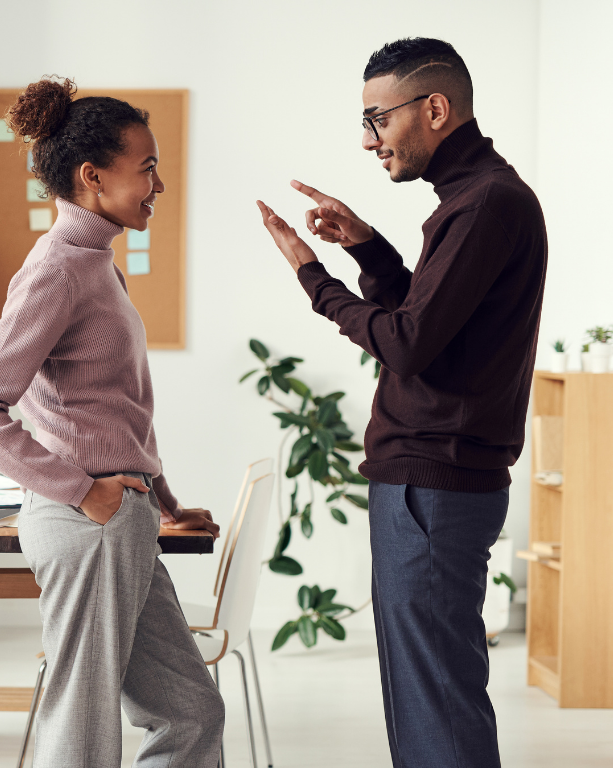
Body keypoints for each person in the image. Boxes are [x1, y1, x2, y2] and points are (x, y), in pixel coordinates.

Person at [256, 38, 546, 768]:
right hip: (433, 480)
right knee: (431, 697)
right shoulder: (473, 202)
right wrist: (368, 249)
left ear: (435, 109)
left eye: (376, 119)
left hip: (432, 482)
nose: (366, 140)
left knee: (434, 703)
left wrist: (312, 277)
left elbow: (408, 344)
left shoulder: (483, 206)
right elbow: (438, 333)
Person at [0, 77, 223, 767]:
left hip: (121, 517)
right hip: (88, 521)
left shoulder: (97, 264)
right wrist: (84, 492)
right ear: (92, 176)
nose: (158, 184)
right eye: (147, 168)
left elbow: (116, 409)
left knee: (189, 711)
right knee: (82, 724)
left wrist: (163, 501)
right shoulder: (58, 271)